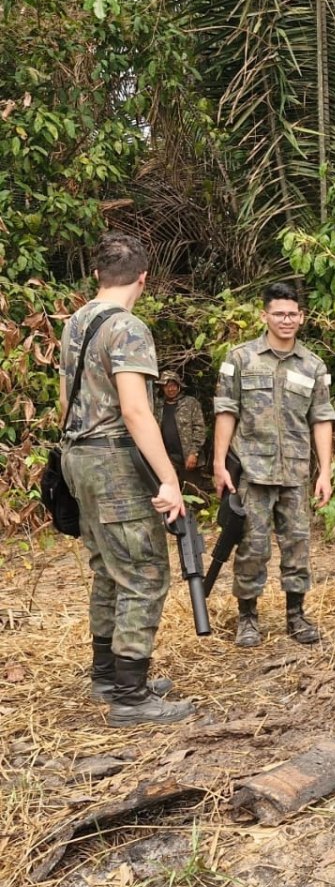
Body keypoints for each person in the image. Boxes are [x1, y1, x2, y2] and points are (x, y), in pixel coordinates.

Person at [58, 233, 197, 725]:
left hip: (77, 457)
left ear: (98, 275)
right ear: (143, 278)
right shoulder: (128, 327)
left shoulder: (76, 322)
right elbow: (136, 411)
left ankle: (107, 675)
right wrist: (169, 479)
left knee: (108, 569)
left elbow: (65, 401)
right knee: (143, 572)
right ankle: (131, 697)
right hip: (113, 462)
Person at [212, 281, 335, 647]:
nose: (286, 320)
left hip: (296, 474)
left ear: (302, 317)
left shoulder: (313, 365)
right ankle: (247, 617)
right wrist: (219, 462)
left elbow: (322, 418)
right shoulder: (240, 359)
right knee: (252, 547)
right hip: (252, 473)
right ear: (264, 315)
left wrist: (325, 471)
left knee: (297, 546)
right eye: (279, 313)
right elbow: (225, 410)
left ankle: (296, 615)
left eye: (292, 314)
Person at [155, 370, 206, 485]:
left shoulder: (190, 403)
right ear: (162, 388)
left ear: (179, 386)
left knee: (193, 493)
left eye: (173, 385)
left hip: (188, 457)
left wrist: (194, 453)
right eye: (166, 386)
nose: (170, 389)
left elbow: (200, 429)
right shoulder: (159, 406)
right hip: (168, 459)